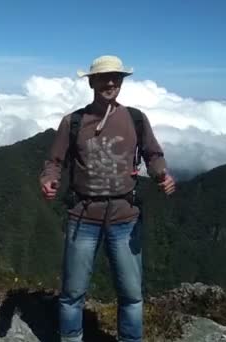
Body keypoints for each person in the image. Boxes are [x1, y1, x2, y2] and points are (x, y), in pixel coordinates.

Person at [39, 55, 175, 342]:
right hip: (82, 217)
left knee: (131, 294)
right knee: (72, 293)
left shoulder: (136, 119)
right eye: (103, 77)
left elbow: (153, 154)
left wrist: (162, 174)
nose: (110, 82)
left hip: (125, 216)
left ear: (122, 82)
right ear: (91, 82)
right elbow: (54, 160)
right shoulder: (73, 122)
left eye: (116, 77)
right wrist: (49, 179)